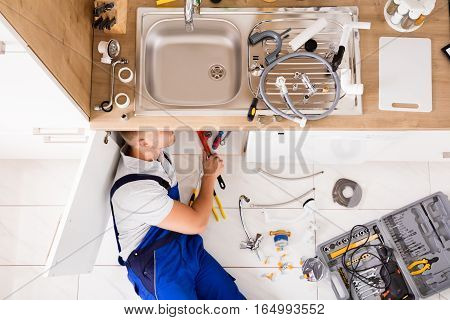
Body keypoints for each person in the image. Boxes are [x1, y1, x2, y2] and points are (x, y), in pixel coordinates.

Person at [109, 130, 245, 300]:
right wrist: (209, 176)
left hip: (186, 247)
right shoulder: (135, 190)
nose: (170, 127)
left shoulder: (153, 154)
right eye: (162, 128)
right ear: (144, 143)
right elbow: (198, 223)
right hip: (157, 268)